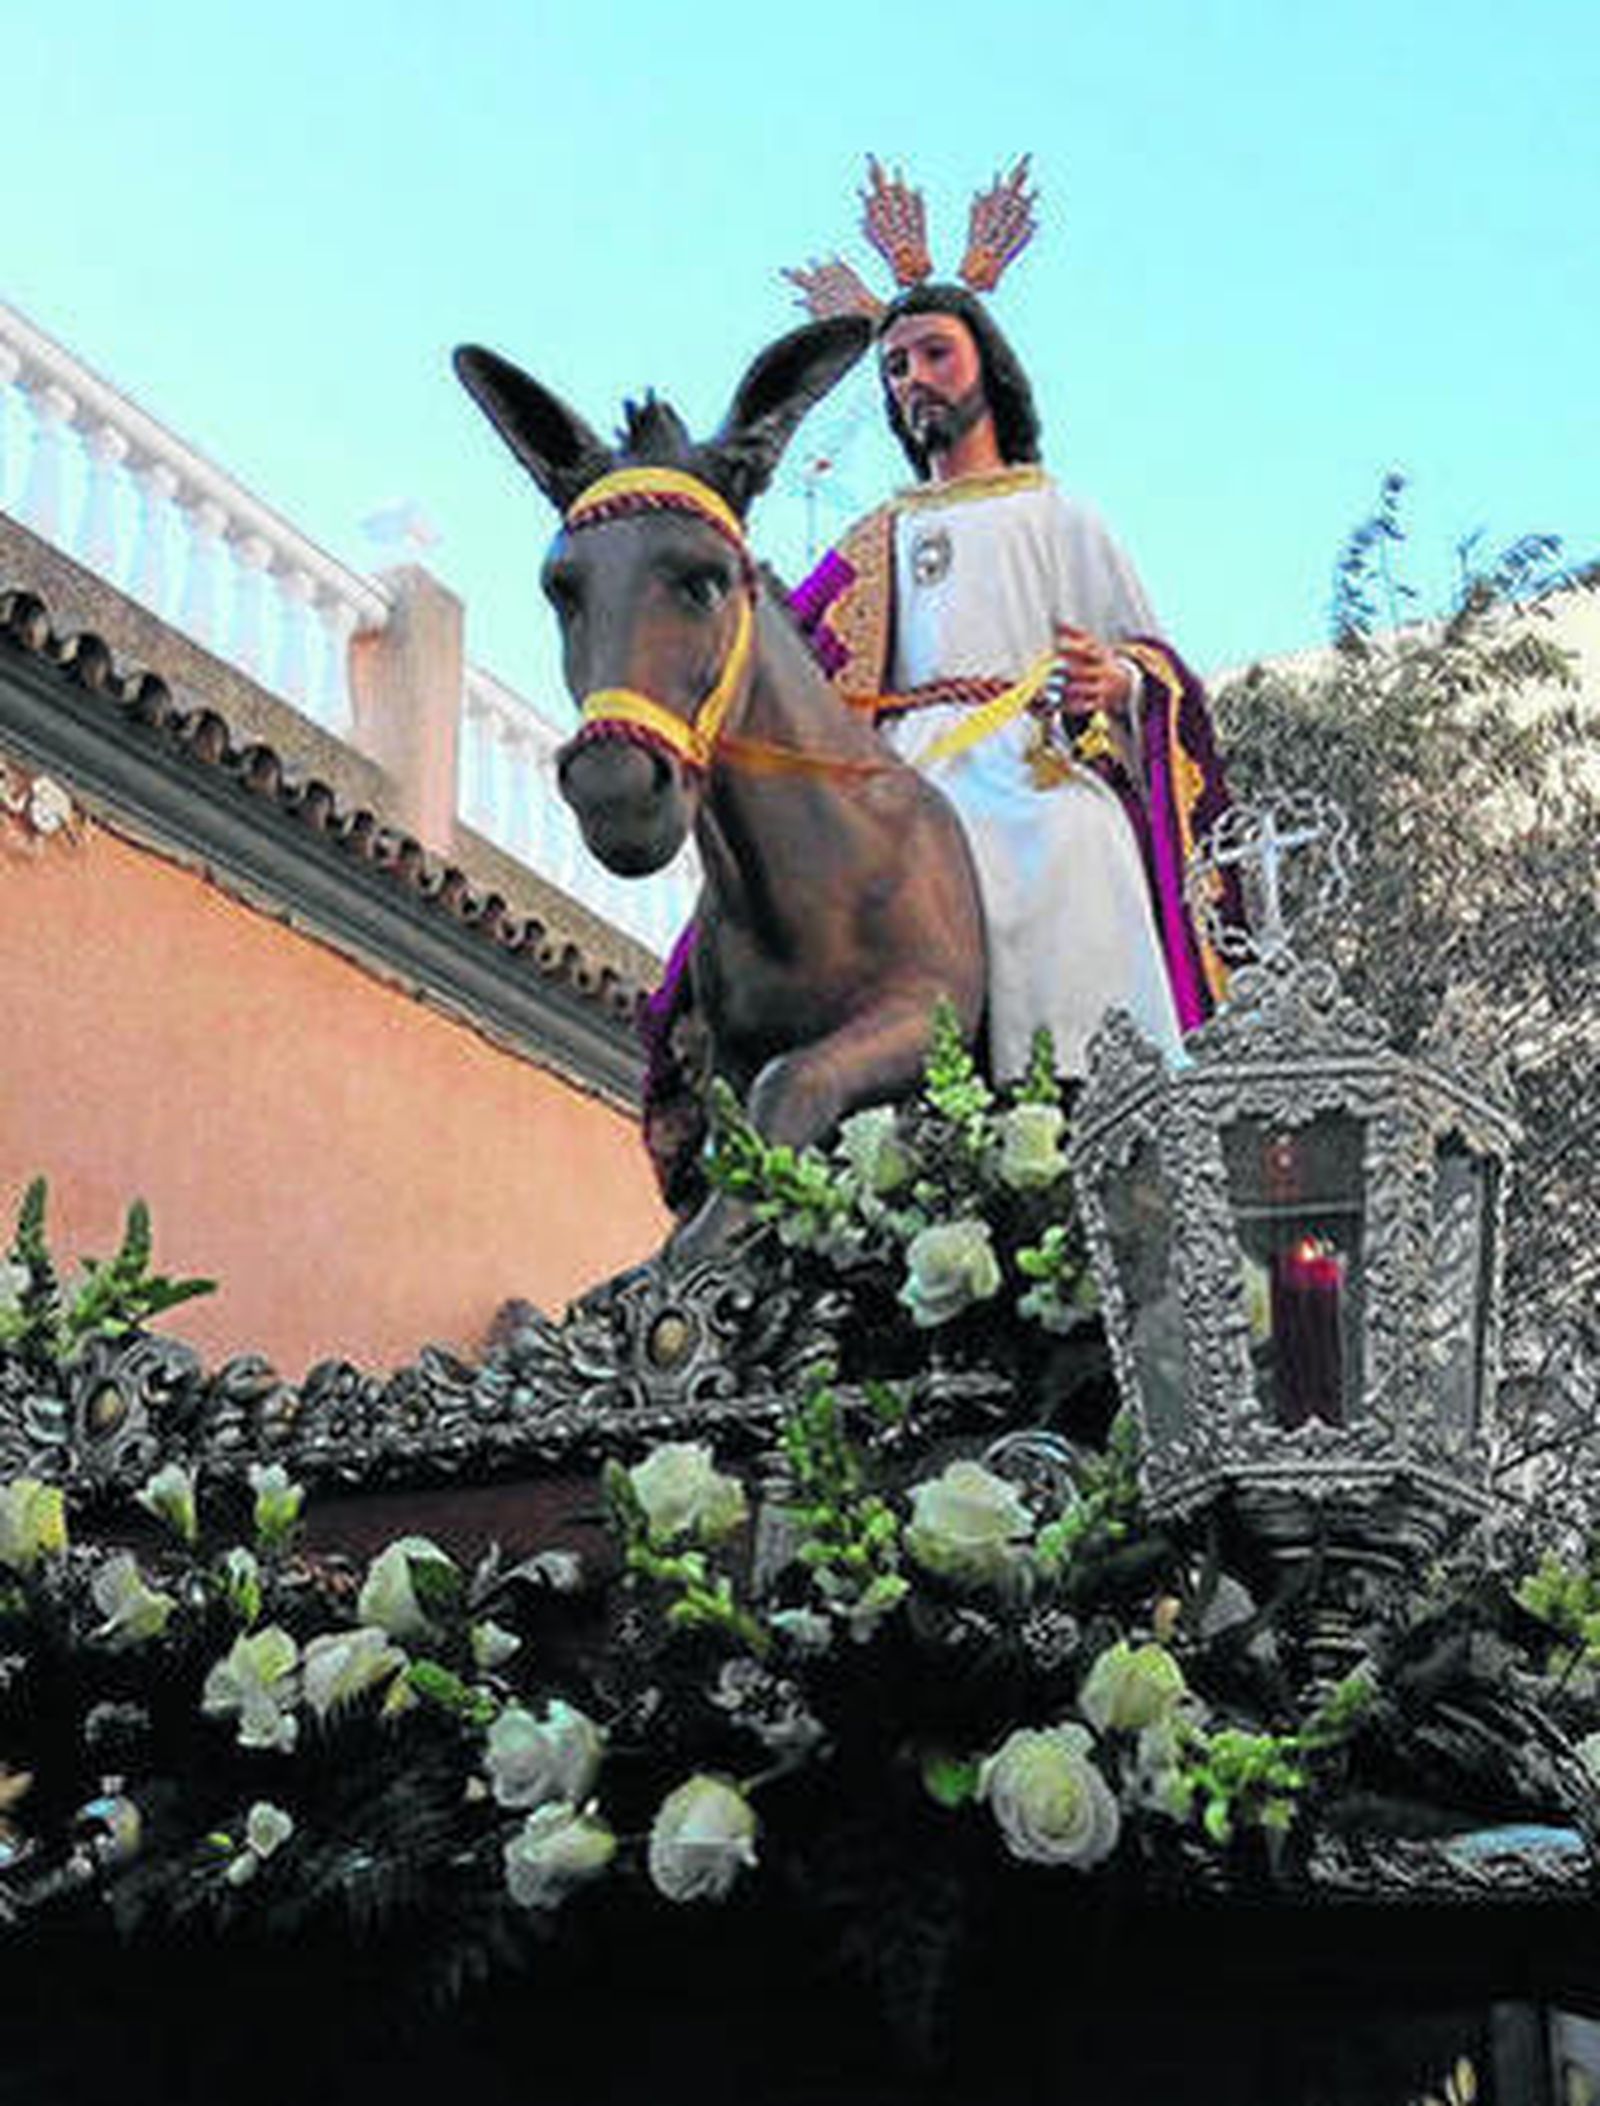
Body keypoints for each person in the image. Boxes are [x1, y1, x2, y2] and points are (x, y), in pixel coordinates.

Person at [789, 266, 1235, 1081]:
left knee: (1078, 835)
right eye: (897, 367)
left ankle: (1081, 1083)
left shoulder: (1060, 514)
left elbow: (1155, 664)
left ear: (988, 367)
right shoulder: (877, 536)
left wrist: (1117, 682)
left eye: (936, 354)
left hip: (1027, 749)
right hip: (901, 757)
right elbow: (789, 644)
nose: (915, 379)